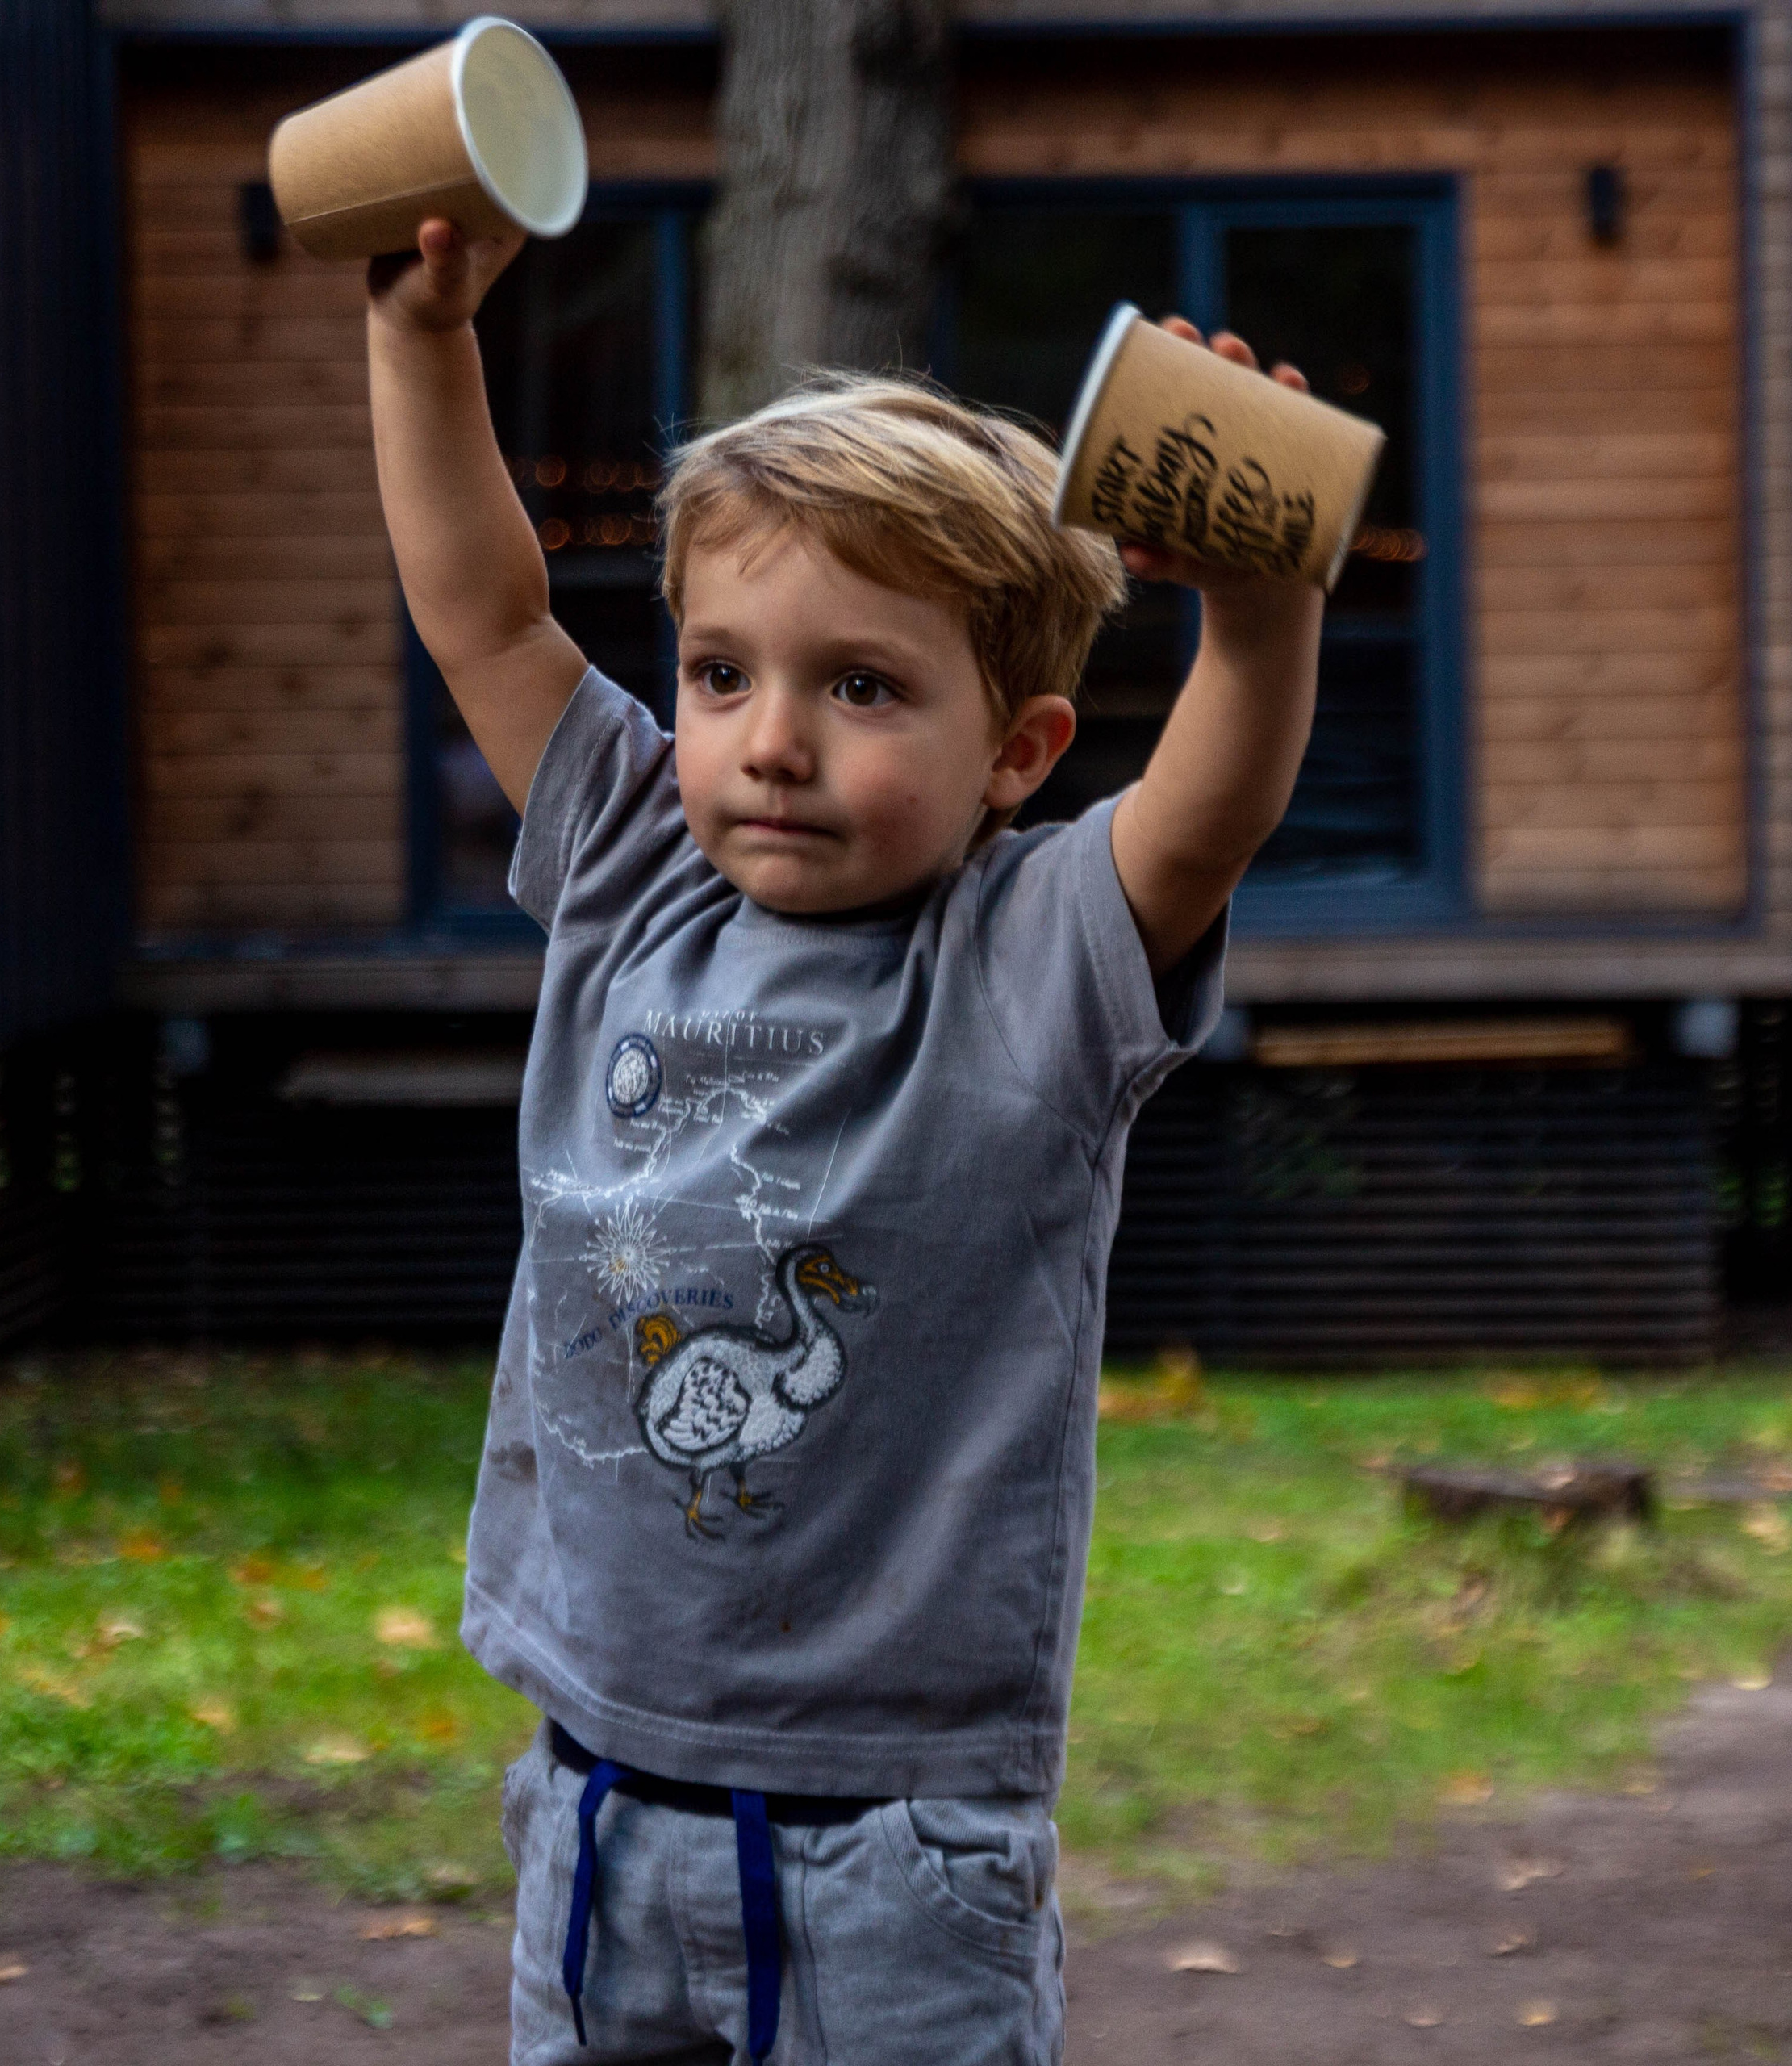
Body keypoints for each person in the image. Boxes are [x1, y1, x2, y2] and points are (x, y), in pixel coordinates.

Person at [367, 214, 1323, 2066]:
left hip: (895, 1852)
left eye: (861, 686)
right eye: (721, 673)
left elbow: (1201, 820)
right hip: (594, 1801)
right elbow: (483, 607)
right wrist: (423, 340)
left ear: (1018, 748)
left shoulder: (1028, 956)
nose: (767, 739)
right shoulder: (631, 867)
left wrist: (1262, 607)